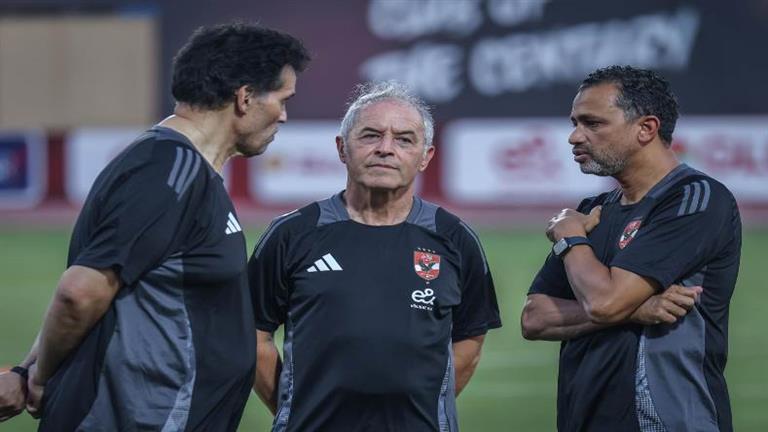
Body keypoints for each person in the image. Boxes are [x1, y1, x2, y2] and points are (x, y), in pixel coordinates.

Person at [0, 22, 309, 431]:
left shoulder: (178, 168)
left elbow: (99, 282)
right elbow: (81, 292)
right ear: (245, 97)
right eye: (282, 100)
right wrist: (39, 378)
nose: (283, 116)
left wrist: (26, 370)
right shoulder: (169, 171)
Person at [248, 82, 502, 431]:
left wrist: (422, 410)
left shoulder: (455, 238)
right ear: (342, 148)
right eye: (370, 136)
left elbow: (470, 337)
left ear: (425, 157)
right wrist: (294, 410)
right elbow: (254, 336)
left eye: (404, 139)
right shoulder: (291, 234)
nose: (386, 149)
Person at [520, 65, 741, 431]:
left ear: (646, 128)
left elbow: (604, 303)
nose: (574, 136)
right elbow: (535, 318)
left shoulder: (695, 199)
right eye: (574, 123)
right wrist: (636, 310)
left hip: (667, 420)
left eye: (593, 123)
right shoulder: (594, 209)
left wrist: (570, 238)